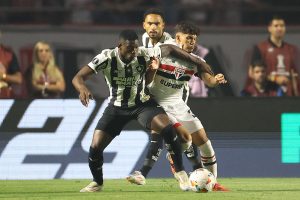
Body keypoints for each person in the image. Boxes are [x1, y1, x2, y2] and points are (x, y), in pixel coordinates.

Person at [73, 29, 213, 192]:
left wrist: (200, 62)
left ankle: (181, 174)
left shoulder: (143, 53)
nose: (133, 52)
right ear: (119, 46)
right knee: (95, 147)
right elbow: (78, 77)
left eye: (136, 48)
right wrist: (82, 88)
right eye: (129, 48)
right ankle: (97, 182)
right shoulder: (106, 57)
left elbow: (171, 49)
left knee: (168, 129)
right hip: (116, 108)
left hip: (142, 105)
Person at [127, 17, 228, 191]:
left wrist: (215, 80)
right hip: (158, 104)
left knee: (204, 142)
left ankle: (213, 182)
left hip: (178, 104)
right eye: (188, 38)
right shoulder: (164, 50)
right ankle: (172, 159)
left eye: (195, 39)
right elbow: (144, 58)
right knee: (185, 139)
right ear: (178, 37)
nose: (192, 42)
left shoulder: (194, 60)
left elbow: (208, 81)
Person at [250, 16, 300, 96]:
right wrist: (275, 78)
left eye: (282, 26)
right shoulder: (261, 48)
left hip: (288, 94)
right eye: (276, 26)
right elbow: (252, 73)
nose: (279, 28)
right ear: (269, 28)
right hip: (268, 93)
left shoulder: (291, 49)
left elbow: (295, 74)